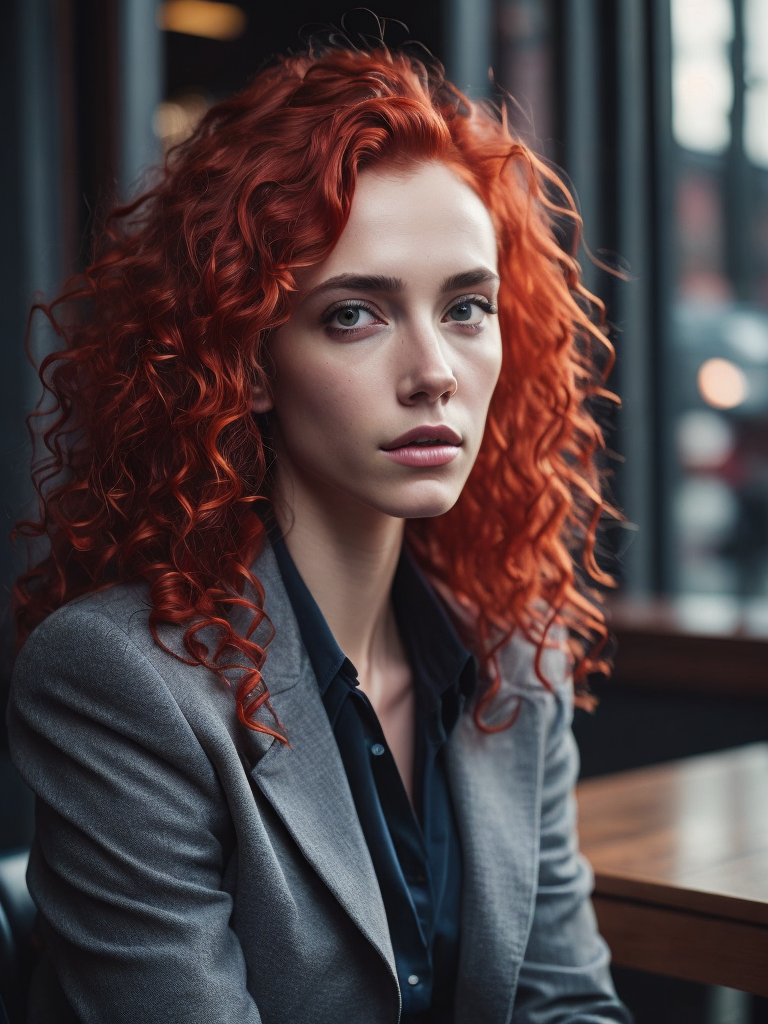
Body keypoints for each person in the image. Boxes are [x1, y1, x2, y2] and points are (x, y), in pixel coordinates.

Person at [7, 29, 631, 1024]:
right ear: (248, 363)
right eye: (355, 315)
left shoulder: (517, 658)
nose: (434, 370)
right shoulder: (119, 683)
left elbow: (566, 1006)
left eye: (468, 307)